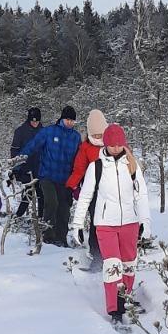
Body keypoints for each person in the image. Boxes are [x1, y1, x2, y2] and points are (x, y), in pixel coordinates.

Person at [68, 123, 151, 328]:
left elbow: (141, 195)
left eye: (119, 145)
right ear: (105, 144)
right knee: (112, 266)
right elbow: (86, 196)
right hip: (105, 224)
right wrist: (77, 224)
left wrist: (145, 222)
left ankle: (126, 297)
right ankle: (114, 309)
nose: (116, 148)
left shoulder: (132, 165)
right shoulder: (95, 166)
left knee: (129, 263)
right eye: (112, 145)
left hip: (130, 223)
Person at [20, 106, 79, 246]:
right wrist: (19, 163)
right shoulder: (49, 132)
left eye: (73, 121)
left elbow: (79, 159)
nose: (70, 123)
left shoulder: (76, 137)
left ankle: (61, 238)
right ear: (62, 119)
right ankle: (48, 236)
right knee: (51, 203)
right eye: (68, 119)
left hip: (65, 179)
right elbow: (32, 146)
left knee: (64, 209)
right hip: (48, 175)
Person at [66, 108, 109, 267]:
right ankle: (97, 255)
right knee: (97, 222)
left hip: (112, 191)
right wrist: (73, 185)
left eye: (101, 135)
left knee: (110, 223)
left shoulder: (113, 144)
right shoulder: (85, 148)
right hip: (94, 191)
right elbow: (79, 168)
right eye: (95, 135)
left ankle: (111, 255)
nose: (99, 138)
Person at [9, 107, 42, 219]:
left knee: (42, 194)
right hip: (26, 167)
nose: (35, 123)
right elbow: (15, 151)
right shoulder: (20, 131)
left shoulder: (44, 131)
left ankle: (41, 217)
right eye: (32, 121)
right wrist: (16, 169)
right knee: (28, 193)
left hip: (40, 167)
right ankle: (18, 215)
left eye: (37, 121)